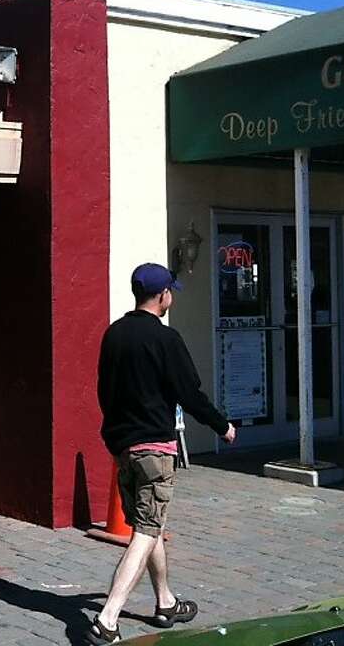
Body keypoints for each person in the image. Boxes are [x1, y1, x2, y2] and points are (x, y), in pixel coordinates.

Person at [86, 262, 236, 645]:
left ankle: (165, 602)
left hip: (123, 449)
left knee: (148, 524)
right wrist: (222, 425)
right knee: (147, 530)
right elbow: (190, 394)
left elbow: (104, 391)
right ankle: (108, 618)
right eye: (171, 291)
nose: (171, 297)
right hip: (155, 449)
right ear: (162, 295)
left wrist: (115, 440)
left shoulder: (114, 334)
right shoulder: (166, 339)